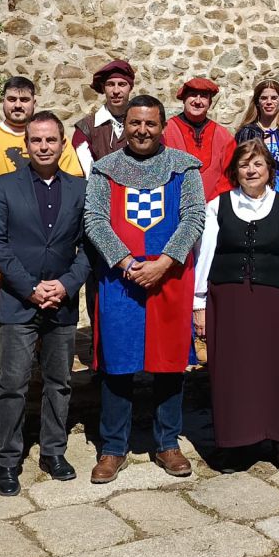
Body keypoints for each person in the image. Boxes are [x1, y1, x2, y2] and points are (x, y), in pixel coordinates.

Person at [83, 95, 206, 483]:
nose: (142, 130)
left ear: (162, 126)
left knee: (169, 364)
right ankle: (112, 447)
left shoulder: (184, 168)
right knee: (118, 365)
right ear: (126, 125)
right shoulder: (105, 170)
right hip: (122, 279)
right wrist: (126, 262)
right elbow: (95, 220)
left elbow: (194, 217)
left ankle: (167, 442)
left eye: (150, 124)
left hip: (169, 277)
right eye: (135, 123)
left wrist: (165, 262)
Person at [0, 111, 91, 496]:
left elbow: (89, 246)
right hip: (18, 301)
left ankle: (53, 451)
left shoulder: (80, 189)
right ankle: (9, 460)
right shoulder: (4, 186)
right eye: (36, 141)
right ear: (25, 145)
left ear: (62, 144)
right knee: (13, 383)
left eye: (50, 140)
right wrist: (31, 288)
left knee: (59, 382)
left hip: (62, 303)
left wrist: (64, 285)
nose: (44, 147)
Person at [193, 140, 279, 473]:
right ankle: (234, 442)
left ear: (269, 169)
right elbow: (205, 255)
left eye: (257, 164)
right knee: (231, 371)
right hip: (227, 301)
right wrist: (199, 303)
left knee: (274, 369)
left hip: (272, 300)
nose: (251, 170)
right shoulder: (218, 205)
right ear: (236, 171)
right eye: (244, 164)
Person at [0, 76, 83, 317]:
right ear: (2, 101)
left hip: (49, 236)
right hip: (1, 232)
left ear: (34, 102)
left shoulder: (54, 138)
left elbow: (73, 182)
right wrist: (16, 214)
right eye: (12, 99)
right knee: (2, 302)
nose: (18, 105)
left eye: (24, 99)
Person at [235, 79, 279, 217]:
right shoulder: (247, 133)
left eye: (274, 98)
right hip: (254, 193)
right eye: (264, 98)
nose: (269, 102)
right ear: (257, 102)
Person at [163, 76, 235, 201]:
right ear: (184, 99)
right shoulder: (166, 131)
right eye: (192, 95)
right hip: (174, 206)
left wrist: (214, 203)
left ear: (210, 103)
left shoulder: (223, 136)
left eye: (203, 96)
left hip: (214, 210)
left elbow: (230, 174)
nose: (197, 101)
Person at [73, 59, 135, 176]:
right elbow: (88, 174)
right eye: (110, 84)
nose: (116, 91)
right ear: (103, 88)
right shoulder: (86, 128)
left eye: (122, 84)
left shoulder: (144, 124)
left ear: (130, 88)